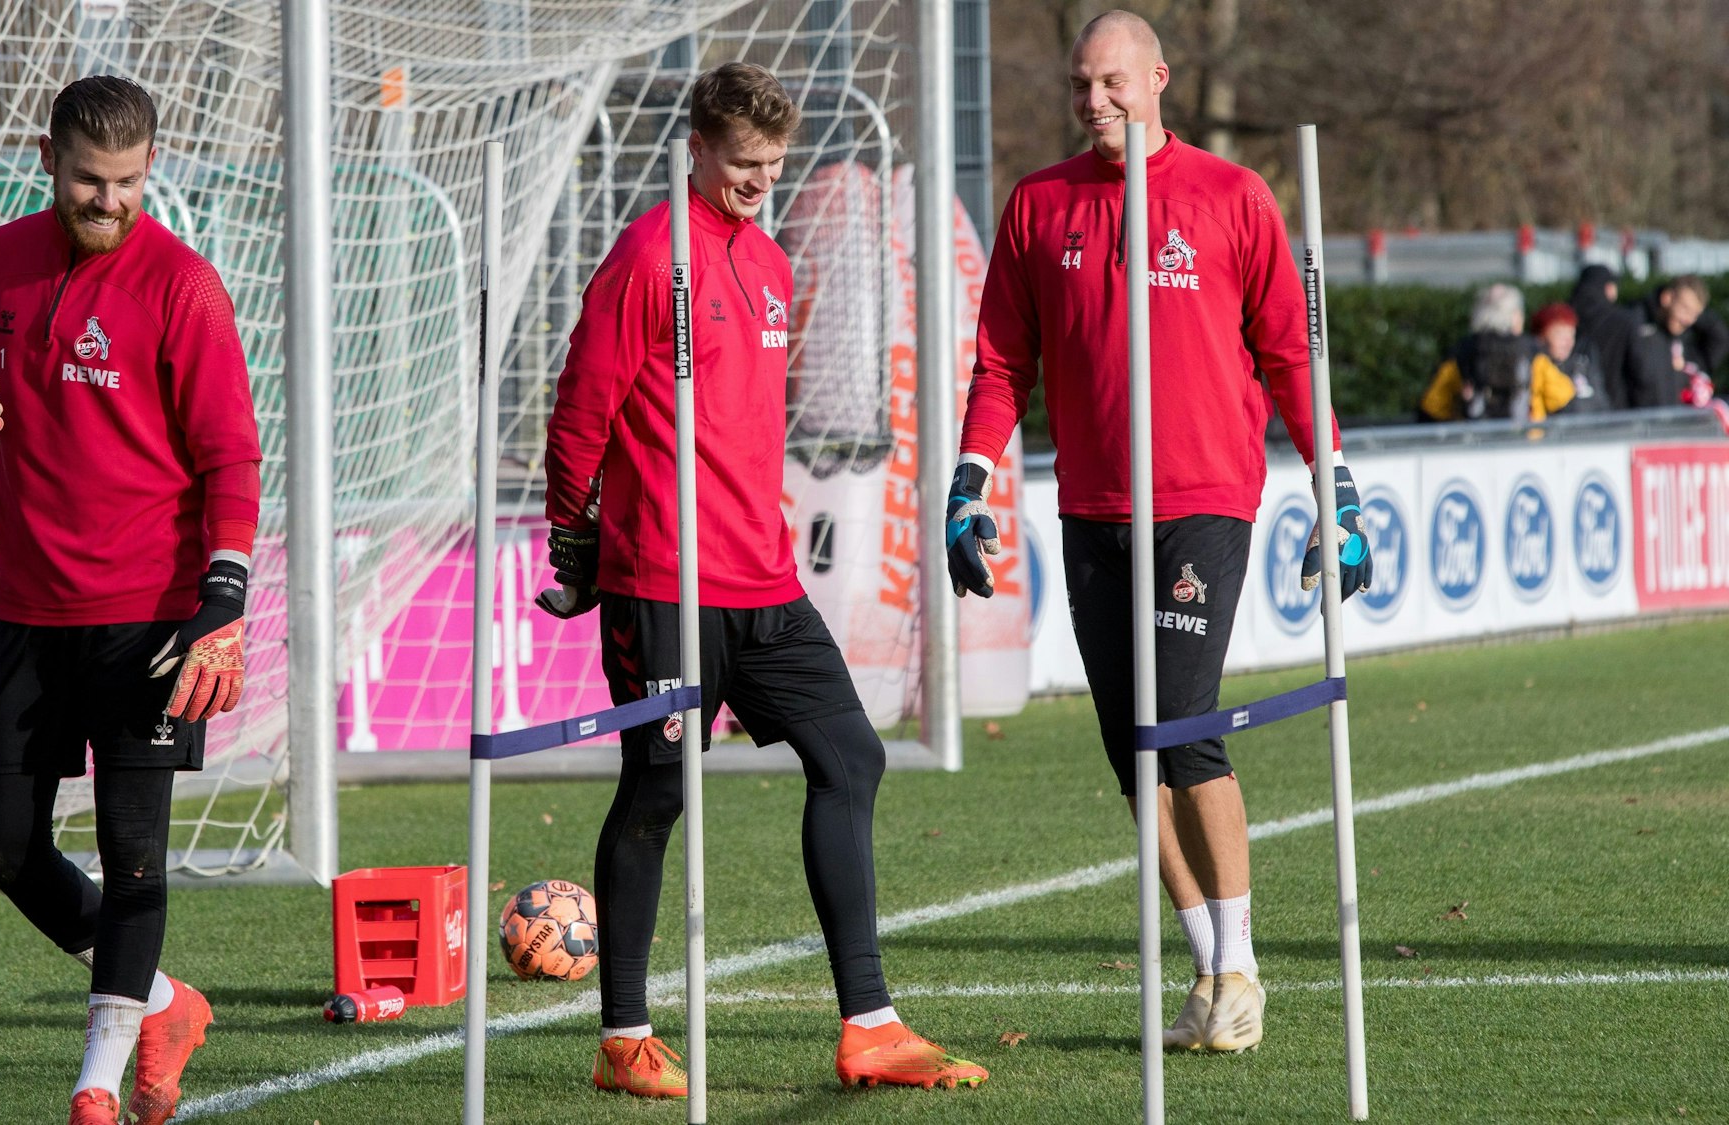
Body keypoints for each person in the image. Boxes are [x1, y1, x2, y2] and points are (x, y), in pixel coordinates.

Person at [540, 61, 988, 1098]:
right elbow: (580, 408)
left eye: (774, 165)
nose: (758, 181)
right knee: (657, 791)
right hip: (664, 581)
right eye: (743, 163)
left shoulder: (773, 261)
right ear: (696, 148)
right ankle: (623, 1038)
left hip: (764, 579)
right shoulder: (647, 256)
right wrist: (573, 534)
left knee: (852, 757)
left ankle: (869, 1026)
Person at [948, 9, 1371, 1056]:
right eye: (1079, 85)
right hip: (1091, 509)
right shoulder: (1038, 203)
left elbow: (1289, 355)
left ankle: (1243, 966)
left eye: (1110, 82)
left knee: (1180, 728)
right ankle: (1208, 969)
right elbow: (1001, 363)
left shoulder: (1232, 195)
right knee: (1130, 752)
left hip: (1203, 501)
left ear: (1158, 79)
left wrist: (1337, 490)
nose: (1092, 100)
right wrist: (968, 479)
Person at [0, 76, 260, 1125]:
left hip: (150, 617)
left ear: (149, 168)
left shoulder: (186, 286)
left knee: (133, 852)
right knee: (3, 844)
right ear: (48, 161)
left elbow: (231, 456)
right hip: (24, 611)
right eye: (86, 180)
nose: (107, 201)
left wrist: (224, 597)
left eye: (125, 182)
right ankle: (164, 1002)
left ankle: (97, 1084)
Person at [1418, 285, 1575, 422]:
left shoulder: (1463, 351)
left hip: (1475, 441)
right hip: (1526, 441)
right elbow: (1561, 397)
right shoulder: (1531, 351)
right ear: (1515, 317)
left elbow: (1433, 406)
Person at [1618, 275, 1711, 408]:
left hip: (1671, 418)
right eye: (1685, 309)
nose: (1688, 320)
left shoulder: (1680, 334)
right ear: (1666, 298)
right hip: (1635, 419)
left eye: (1695, 315)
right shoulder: (1633, 323)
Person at [1569, 264, 1641, 409]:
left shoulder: (1568, 318)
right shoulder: (1624, 321)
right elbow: (1639, 370)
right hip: (1618, 406)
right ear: (1608, 288)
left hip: (1578, 406)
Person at [1530, 302, 1611, 413]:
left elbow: (1601, 405)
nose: (1567, 342)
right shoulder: (1531, 369)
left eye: (1571, 335)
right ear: (1541, 337)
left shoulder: (1582, 366)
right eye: (1560, 334)